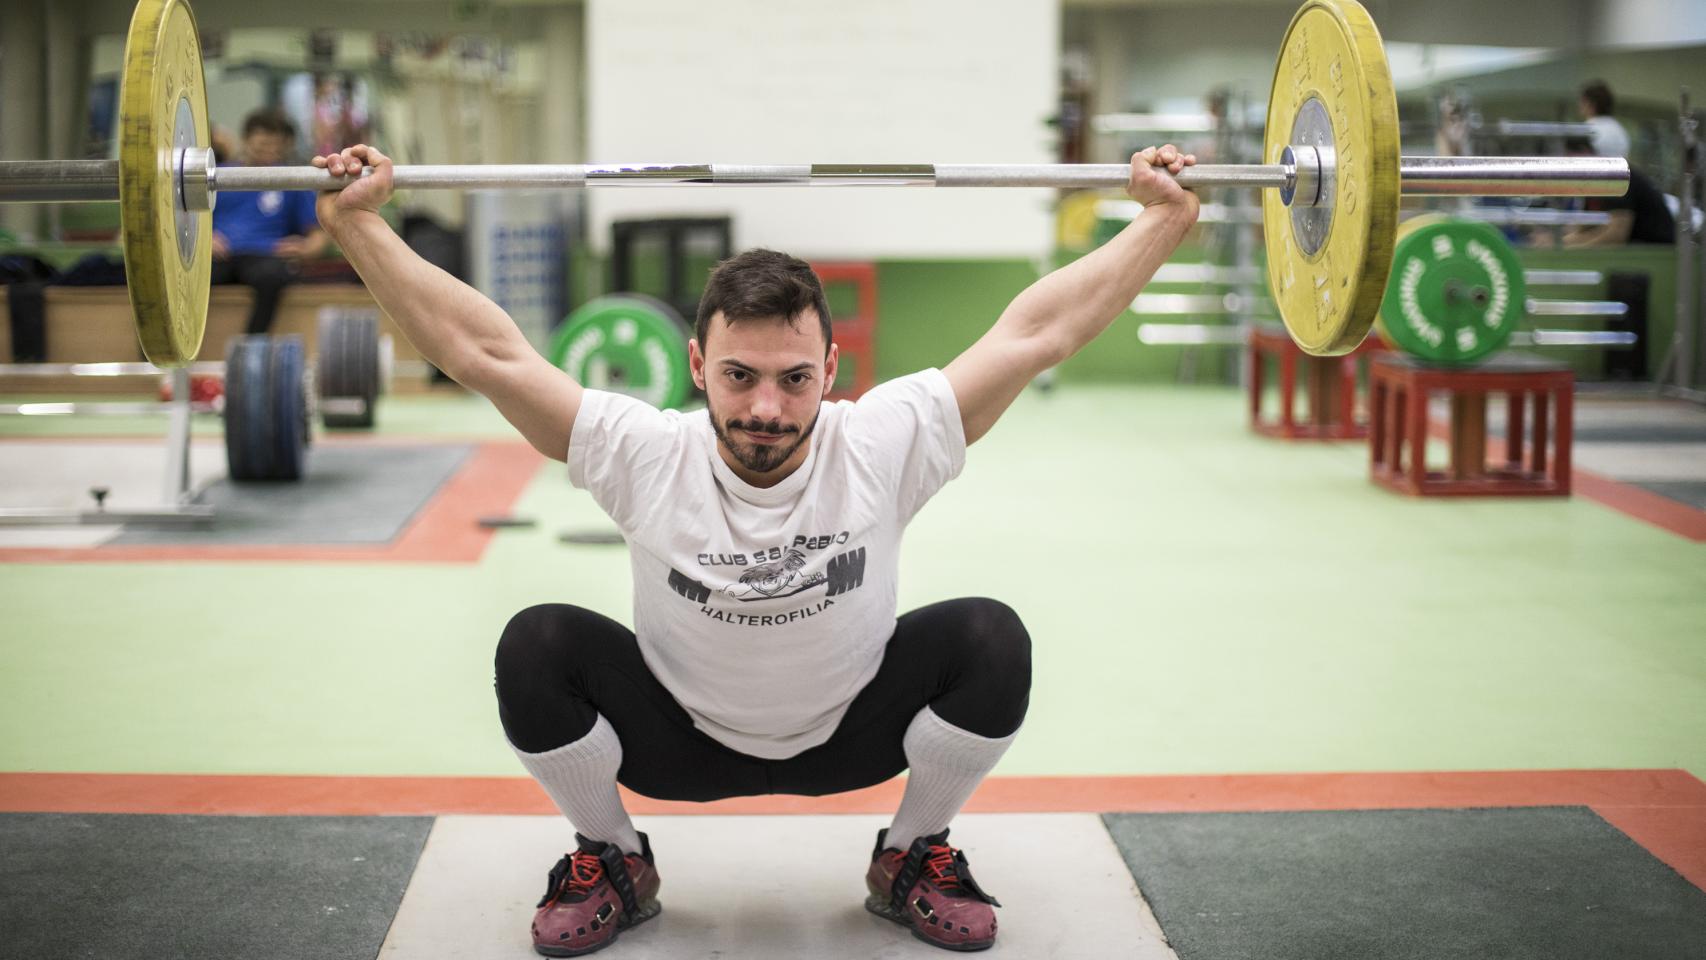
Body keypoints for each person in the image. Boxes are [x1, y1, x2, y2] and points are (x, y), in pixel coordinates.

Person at [309, 140, 1199, 956]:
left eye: (794, 378)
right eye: (740, 376)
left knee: (991, 638)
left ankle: (912, 851)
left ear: (832, 371)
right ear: (697, 364)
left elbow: (1038, 332)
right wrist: (359, 227)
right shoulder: (645, 451)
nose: (766, 409)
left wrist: (1162, 221)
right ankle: (614, 856)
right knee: (536, 643)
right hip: (676, 740)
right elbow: (483, 352)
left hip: (853, 731)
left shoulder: (883, 441)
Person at [210, 108, 330, 335]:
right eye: (262, 144)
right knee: (182, 278)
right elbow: (187, 224)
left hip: (265, 256)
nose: (268, 151)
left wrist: (305, 248)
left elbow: (318, 235)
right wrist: (203, 240)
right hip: (219, 254)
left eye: (275, 145)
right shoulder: (218, 175)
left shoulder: (292, 179)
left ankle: (252, 349)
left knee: (272, 276)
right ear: (246, 140)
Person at [1561, 137, 1675, 246]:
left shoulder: (1613, 175)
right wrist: (1559, 243)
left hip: (1655, 248)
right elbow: (1584, 228)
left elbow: (1616, 235)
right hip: (1637, 248)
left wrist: (1570, 248)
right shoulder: (1590, 181)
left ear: (1584, 151)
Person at [1579, 79, 1631, 159]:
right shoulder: (1620, 130)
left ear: (1591, 105)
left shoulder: (1585, 130)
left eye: (1583, 102)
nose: (1580, 105)